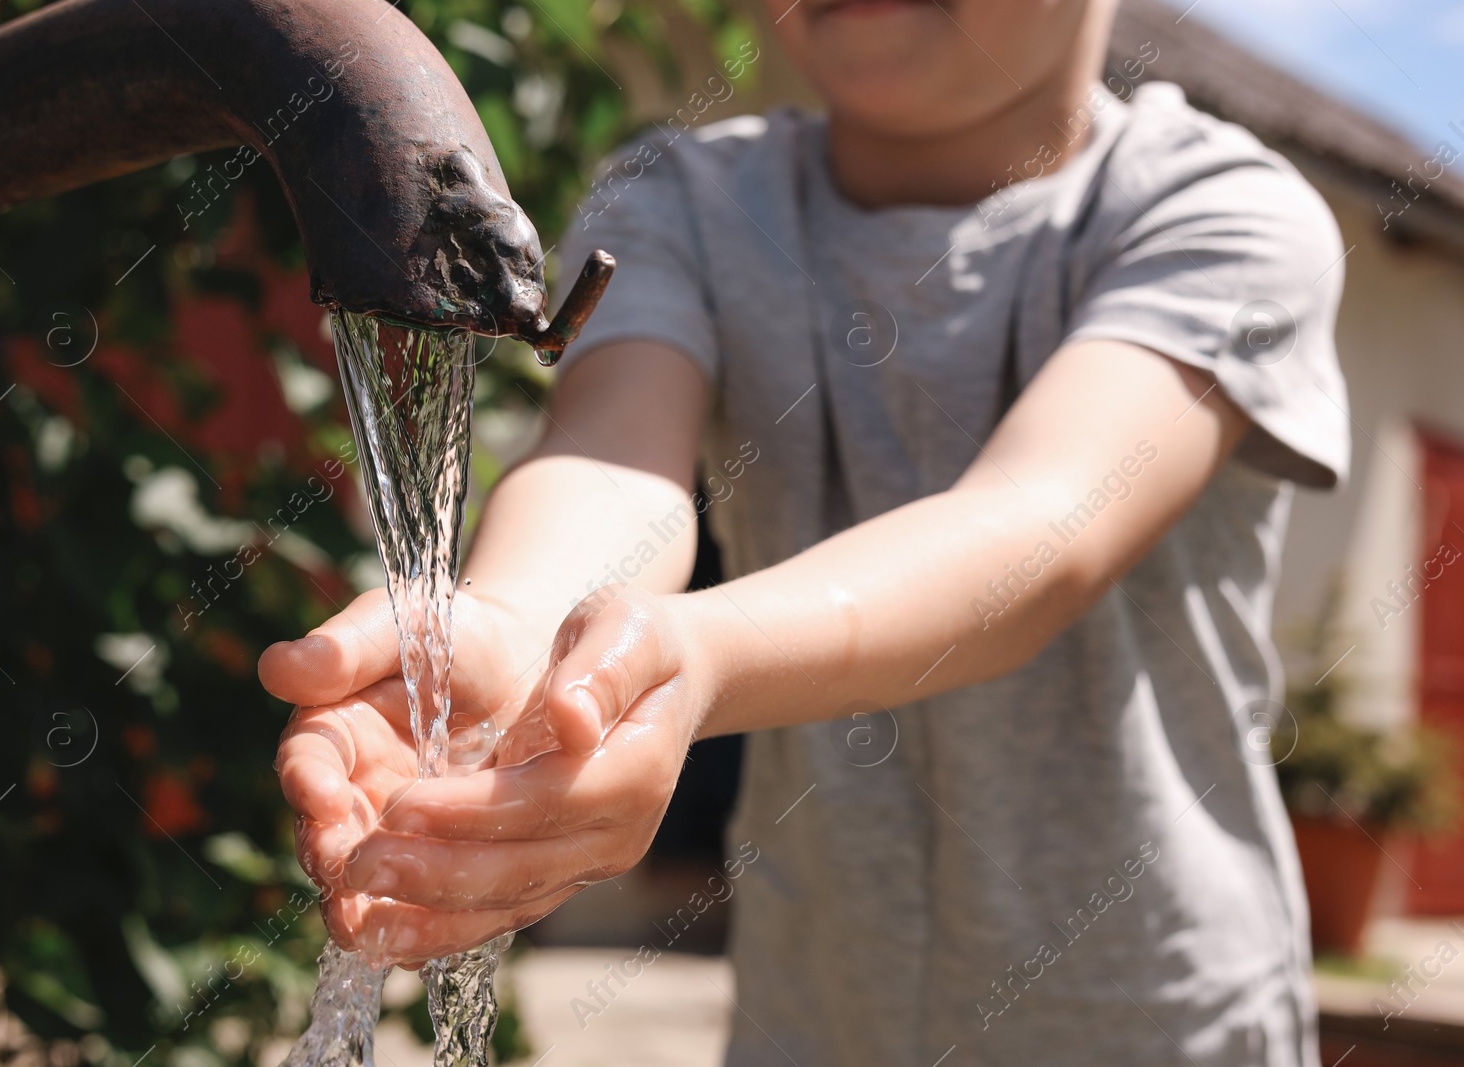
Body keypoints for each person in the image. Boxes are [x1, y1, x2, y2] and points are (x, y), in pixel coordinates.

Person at [260, 0, 1350, 1061]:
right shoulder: (683, 199)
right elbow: (612, 458)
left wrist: (698, 654)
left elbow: (1040, 527)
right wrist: (510, 624)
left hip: (1154, 1018)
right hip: (815, 1013)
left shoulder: (1219, 213)